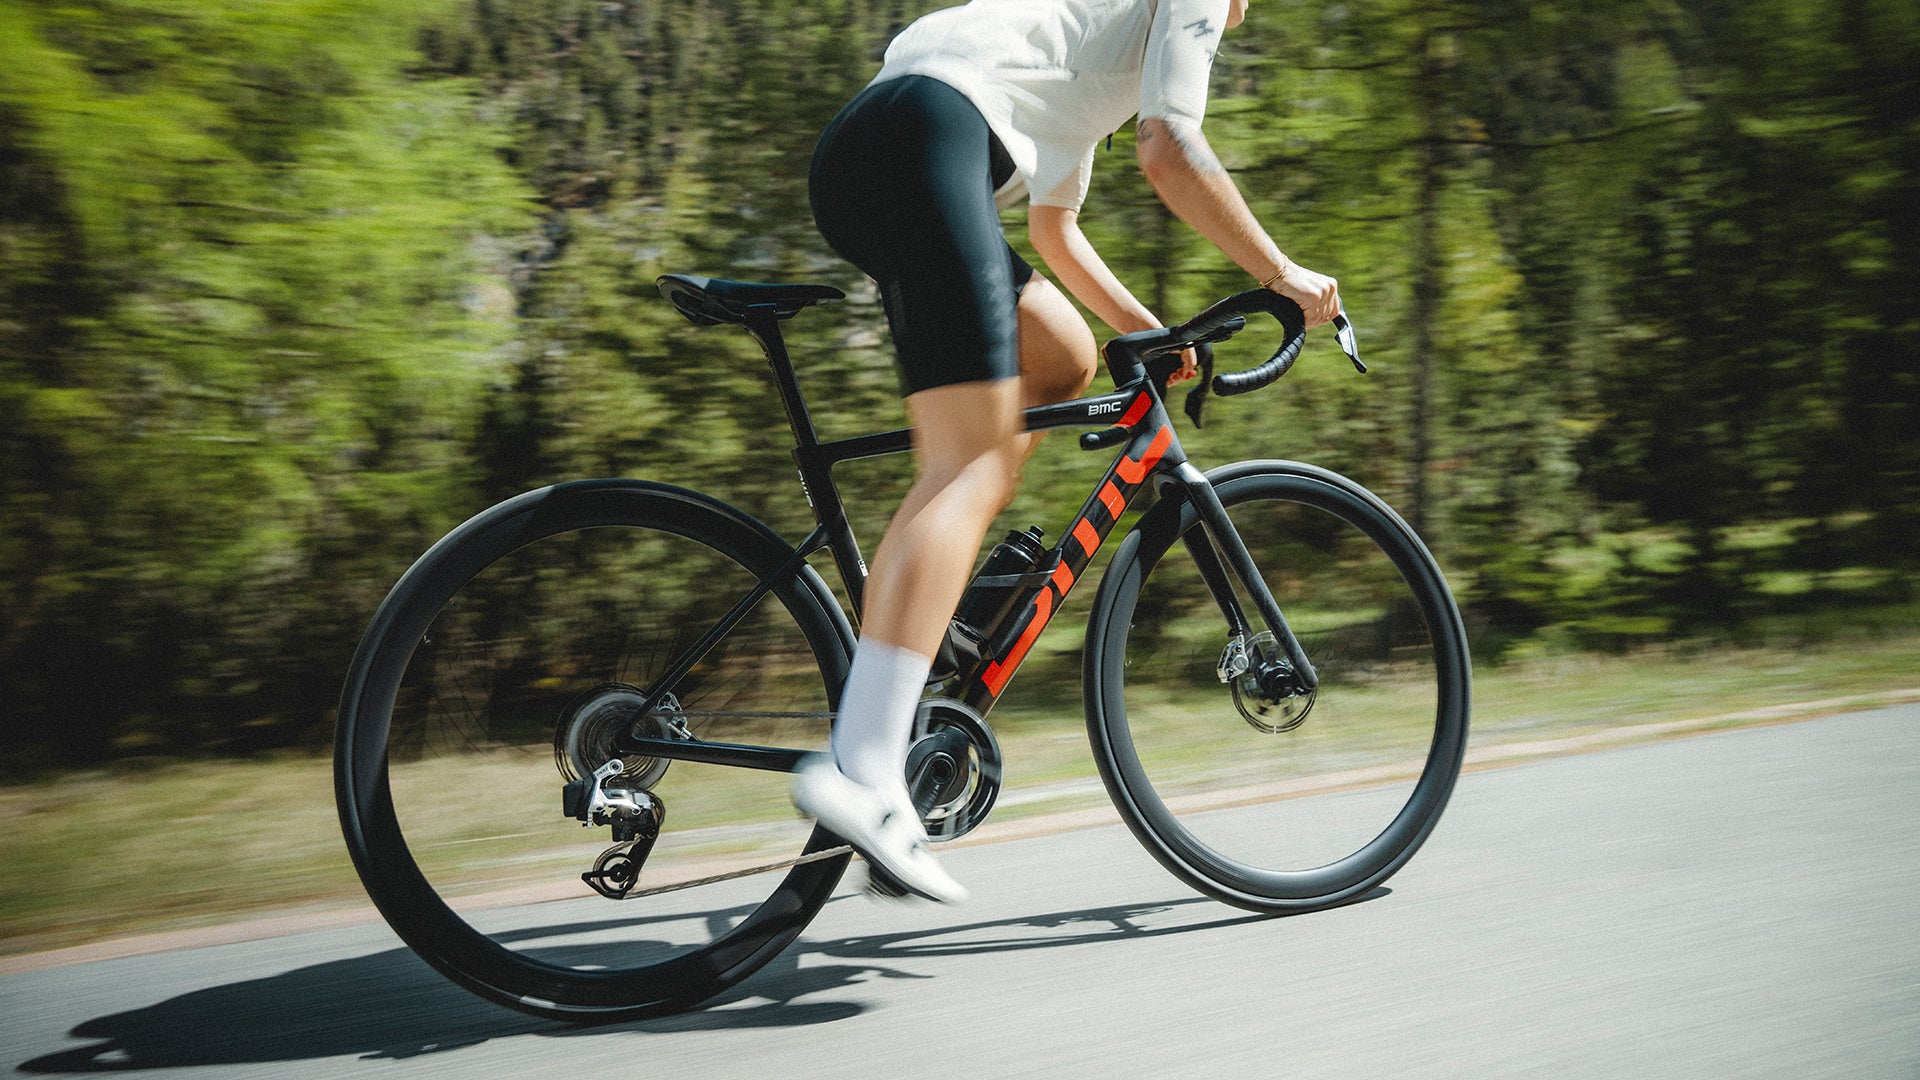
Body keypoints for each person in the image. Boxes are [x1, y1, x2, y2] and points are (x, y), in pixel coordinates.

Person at [793, 0, 1342, 902]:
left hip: (868, 144)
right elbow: (1169, 148)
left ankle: (930, 616)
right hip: (931, 135)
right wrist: (1280, 274)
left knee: (1062, 359)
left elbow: (1055, 232)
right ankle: (869, 773)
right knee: (967, 466)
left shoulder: (1088, 28)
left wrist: (1148, 331)